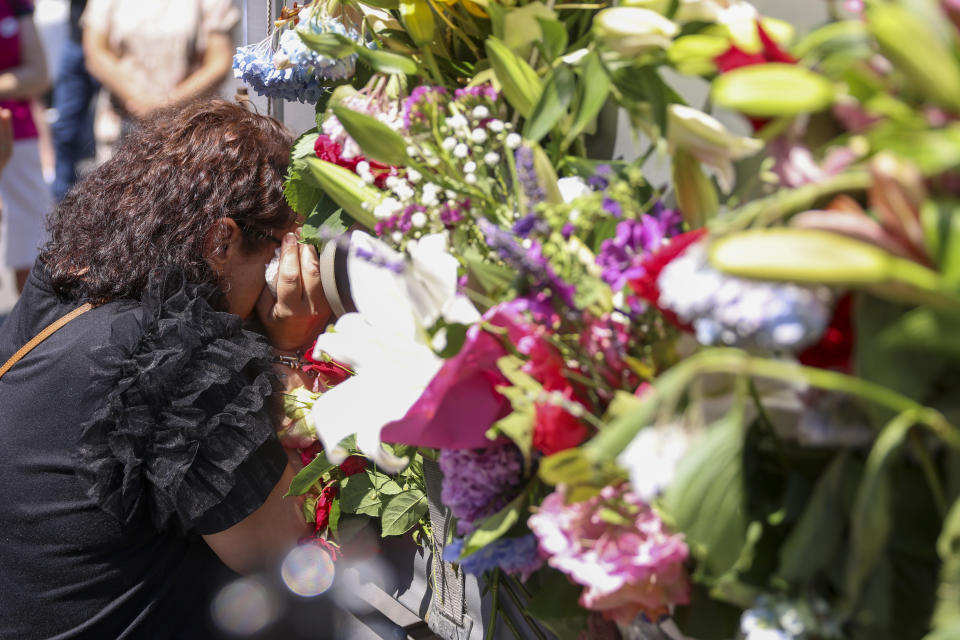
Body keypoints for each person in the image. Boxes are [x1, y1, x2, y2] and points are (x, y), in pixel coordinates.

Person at [0, 100, 331, 638]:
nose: (282, 274)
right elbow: (279, 546)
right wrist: (288, 349)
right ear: (221, 240)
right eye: (279, 249)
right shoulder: (179, 355)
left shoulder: (59, 286)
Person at [81, 0, 237, 134]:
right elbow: (95, 51)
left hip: (189, 127)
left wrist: (164, 105)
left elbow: (219, 61)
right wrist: (139, 100)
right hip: (124, 121)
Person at [0, 0, 53, 293]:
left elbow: (38, 73)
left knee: (30, 240)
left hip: (16, 132)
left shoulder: (15, 4)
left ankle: (27, 330)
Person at [50, 0, 99, 201]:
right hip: (76, 42)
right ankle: (63, 197)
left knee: (112, 128)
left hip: (113, 48)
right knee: (64, 125)